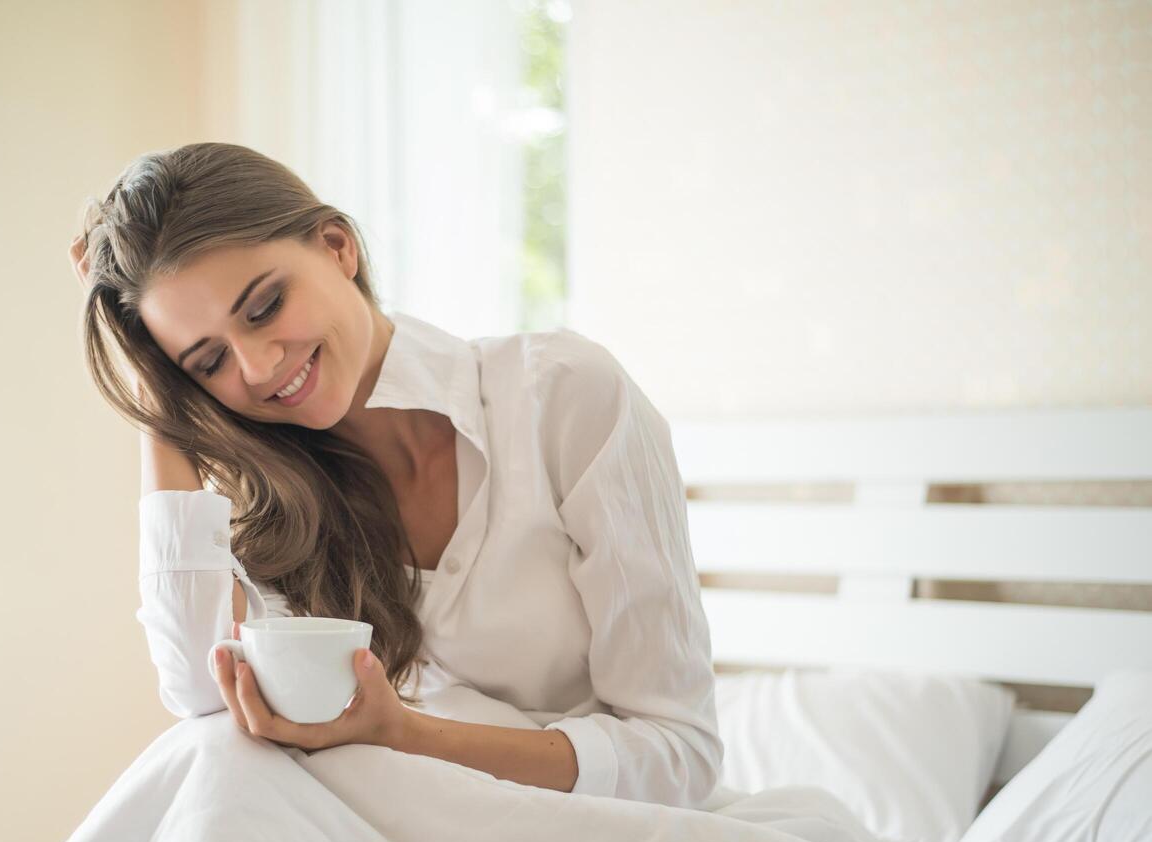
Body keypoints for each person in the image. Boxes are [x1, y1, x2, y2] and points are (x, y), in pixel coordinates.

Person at [70, 142, 721, 804]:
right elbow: (199, 694)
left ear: (336, 247)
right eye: (209, 362)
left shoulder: (560, 397)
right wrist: (156, 395)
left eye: (264, 306)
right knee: (209, 757)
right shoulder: (278, 515)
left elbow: (680, 756)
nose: (259, 366)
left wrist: (404, 734)